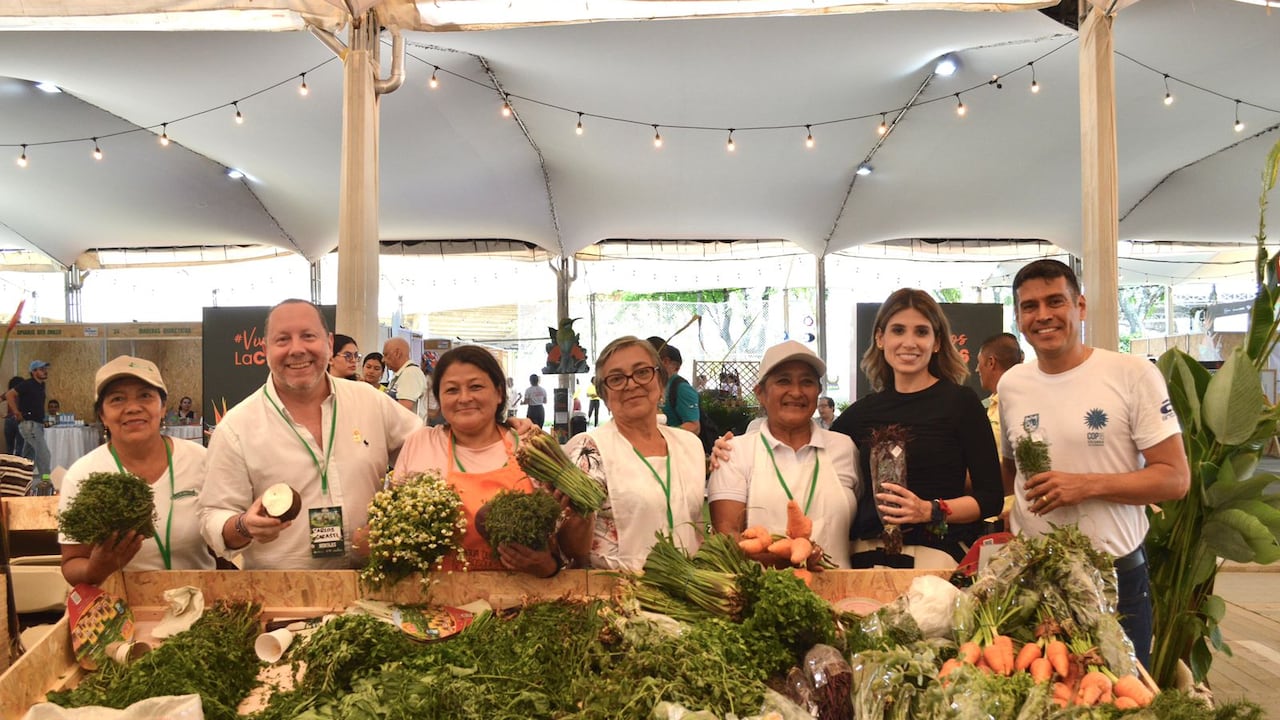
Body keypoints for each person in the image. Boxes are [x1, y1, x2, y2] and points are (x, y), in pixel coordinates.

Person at [998, 259, 1189, 667]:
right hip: (1034, 578)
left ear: (1080, 306)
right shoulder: (1012, 384)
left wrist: (1086, 485)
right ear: (1018, 317)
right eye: (1029, 306)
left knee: (1119, 696)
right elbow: (1010, 471)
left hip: (1114, 578)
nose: (1043, 315)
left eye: (1055, 301)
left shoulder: (1131, 373)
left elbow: (1174, 479)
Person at [199, 299, 423, 569]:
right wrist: (245, 526)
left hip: (373, 587)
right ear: (265, 350)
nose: (297, 349)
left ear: (328, 344)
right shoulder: (237, 427)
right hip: (286, 597)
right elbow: (213, 516)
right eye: (282, 340)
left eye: (308, 336)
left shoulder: (369, 401)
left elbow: (425, 449)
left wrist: (399, 513)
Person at [832, 288, 1003, 569]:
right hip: (864, 557)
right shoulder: (864, 412)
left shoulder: (960, 403)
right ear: (880, 338)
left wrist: (929, 510)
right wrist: (738, 446)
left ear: (937, 342)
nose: (909, 342)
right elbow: (811, 449)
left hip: (934, 558)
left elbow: (990, 499)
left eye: (921, 332)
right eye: (898, 330)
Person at [393, 345, 591, 575]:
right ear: (438, 398)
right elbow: (400, 528)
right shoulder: (421, 443)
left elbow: (571, 545)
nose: (464, 398)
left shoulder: (531, 445)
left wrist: (547, 565)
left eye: (476, 387)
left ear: (499, 393)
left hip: (524, 599)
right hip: (438, 601)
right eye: (451, 390)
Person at [58, 356, 216, 585]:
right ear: (102, 415)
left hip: (201, 602)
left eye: (145, 396)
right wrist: (96, 569)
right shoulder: (83, 475)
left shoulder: (200, 459)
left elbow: (223, 534)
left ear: (163, 409)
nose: (132, 408)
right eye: (117, 399)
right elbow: (72, 563)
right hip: (122, 609)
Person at [708, 341, 859, 568]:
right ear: (760, 393)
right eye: (783, 381)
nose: (796, 392)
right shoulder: (735, 452)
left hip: (842, 593)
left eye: (807, 382)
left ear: (818, 391)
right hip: (764, 595)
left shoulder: (844, 448)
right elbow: (726, 534)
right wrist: (781, 557)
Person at [564, 336, 705, 570]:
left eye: (642, 372)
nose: (631, 384)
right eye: (616, 379)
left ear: (660, 383)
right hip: (616, 594)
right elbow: (573, 551)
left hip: (688, 593)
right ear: (605, 395)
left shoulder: (689, 445)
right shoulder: (589, 449)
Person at [976, 333, 1024, 461]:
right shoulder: (992, 403)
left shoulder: (1019, 403)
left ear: (991, 362)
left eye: (979, 362)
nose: (976, 369)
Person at [6, 360, 52, 477]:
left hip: (37, 424)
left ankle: (23, 478)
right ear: (33, 371)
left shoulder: (41, 385)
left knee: (29, 455)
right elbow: (9, 395)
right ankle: (46, 481)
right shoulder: (28, 384)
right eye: (42, 369)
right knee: (44, 454)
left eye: (45, 369)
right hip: (29, 424)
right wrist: (16, 412)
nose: (45, 371)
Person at [383, 337, 431, 425]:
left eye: (386, 355)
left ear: (397, 353)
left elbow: (403, 410)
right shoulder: (402, 374)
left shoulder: (410, 373)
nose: (383, 360)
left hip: (409, 435)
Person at [656, 343, 700, 435]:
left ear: (666, 361)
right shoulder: (658, 386)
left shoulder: (682, 388)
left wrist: (665, 434)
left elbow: (694, 426)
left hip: (677, 445)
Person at [4, 376, 23, 457]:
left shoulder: (8, 394)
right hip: (19, 419)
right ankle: (18, 466)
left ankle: (9, 466)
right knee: (20, 446)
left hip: (9, 419)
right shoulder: (23, 394)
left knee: (9, 447)